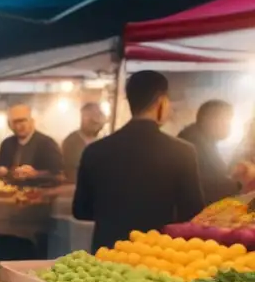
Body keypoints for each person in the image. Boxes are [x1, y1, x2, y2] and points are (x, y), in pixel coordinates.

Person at [74, 70, 205, 251]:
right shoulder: (182, 152)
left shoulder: (95, 150)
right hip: (156, 255)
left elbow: (80, 211)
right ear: (161, 101)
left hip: (106, 257)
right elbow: (193, 213)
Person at [179, 100, 238, 204]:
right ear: (209, 120)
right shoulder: (194, 145)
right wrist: (240, 183)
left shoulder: (202, 141)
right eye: (226, 120)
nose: (228, 126)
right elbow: (206, 185)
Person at [0, 104, 63, 178]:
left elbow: (59, 174)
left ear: (32, 121)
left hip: (41, 188)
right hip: (10, 188)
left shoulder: (47, 143)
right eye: (15, 122)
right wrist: (1, 170)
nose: (19, 126)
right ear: (9, 125)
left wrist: (36, 174)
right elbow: (0, 166)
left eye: (22, 120)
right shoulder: (7, 144)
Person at [61, 102, 108, 182]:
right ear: (83, 118)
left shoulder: (104, 140)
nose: (96, 120)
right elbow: (73, 175)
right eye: (91, 116)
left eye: (99, 115)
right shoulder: (72, 142)